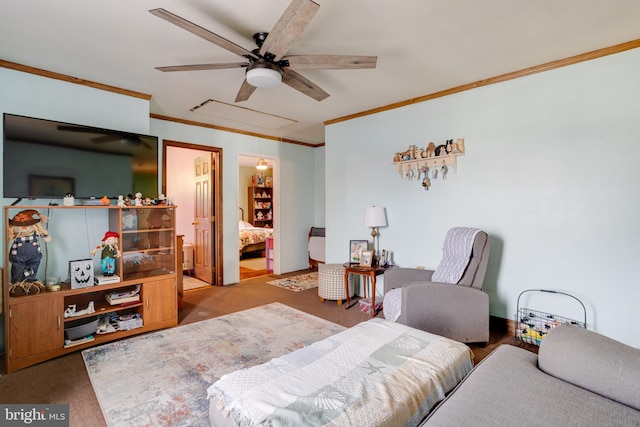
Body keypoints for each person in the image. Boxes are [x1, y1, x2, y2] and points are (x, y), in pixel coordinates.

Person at [7, 210, 51, 284]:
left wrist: (45, 236)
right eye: (19, 225)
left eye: (27, 224)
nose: (24, 227)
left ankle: (29, 283)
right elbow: (7, 239)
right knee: (18, 269)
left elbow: (44, 234)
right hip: (18, 256)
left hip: (34, 256)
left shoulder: (35, 233)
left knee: (32, 268)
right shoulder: (16, 235)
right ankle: (17, 284)